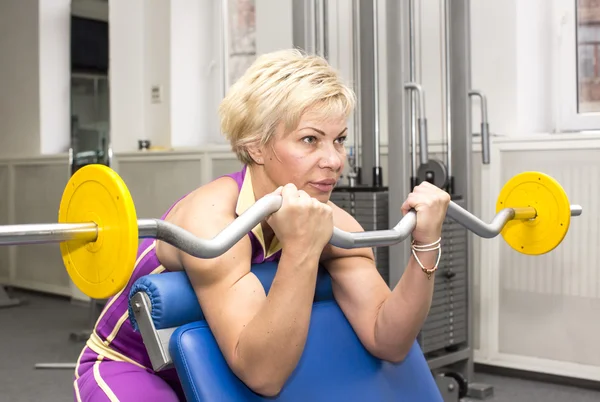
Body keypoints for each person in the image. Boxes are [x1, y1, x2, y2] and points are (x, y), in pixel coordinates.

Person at [73, 48, 450, 401]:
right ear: (255, 146)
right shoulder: (213, 220)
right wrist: (302, 249)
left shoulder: (332, 221)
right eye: (310, 139)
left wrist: (426, 243)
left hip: (220, 369)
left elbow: (389, 340)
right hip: (132, 367)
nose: (335, 160)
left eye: (339, 140)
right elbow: (263, 375)